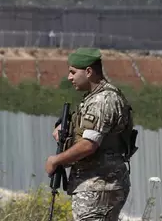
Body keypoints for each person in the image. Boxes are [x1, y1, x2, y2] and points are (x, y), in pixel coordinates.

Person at [45, 47, 136, 221]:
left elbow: (89, 144)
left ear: (88, 71)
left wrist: (56, 160)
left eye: (73, 72)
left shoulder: (102, 100)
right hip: (96, 184)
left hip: (100, 184)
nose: (69, 77)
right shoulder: (94, 98)